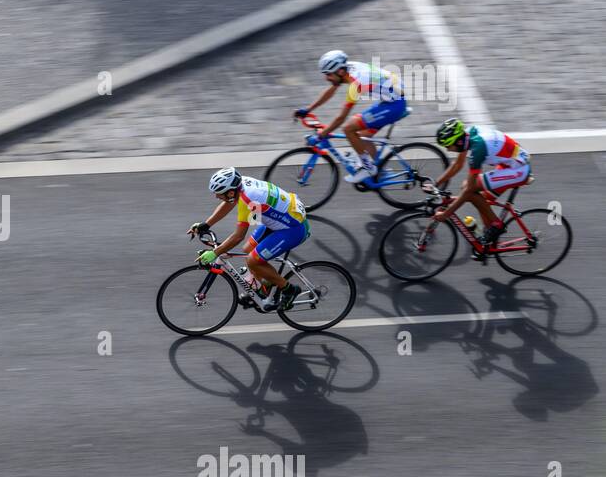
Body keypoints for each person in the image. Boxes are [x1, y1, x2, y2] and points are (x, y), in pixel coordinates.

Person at [188, 167, 308, 311]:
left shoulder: (249, 199)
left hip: (293, 229)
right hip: (281, 218)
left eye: (218, 193)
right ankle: (266, 285)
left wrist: (215, 253)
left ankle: (289, 290)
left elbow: (238, 236)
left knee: (253, 260)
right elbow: (229, 203)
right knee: (248, 250)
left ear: (231, 192)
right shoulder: (241, 184)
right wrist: (206, 224)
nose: (216, 196)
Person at [295, 49, 408, 184]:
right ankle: (380, 171)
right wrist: (308, 109)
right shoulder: (346, 69)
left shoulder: (356, 83)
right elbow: (331, 90)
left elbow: (341, 118)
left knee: (348, 128)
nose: (326, 78)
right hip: (390, 99)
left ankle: (369, 168)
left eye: (328, 74)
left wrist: (321, 135)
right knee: (361, 136)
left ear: (340, 72)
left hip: (394, 105)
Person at [432, 118, 532, 247]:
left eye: (448, 145)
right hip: (510, 165)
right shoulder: (467, 135)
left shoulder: (478, 147)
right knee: (480, 198)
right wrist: (436, 183)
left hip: (518, 170)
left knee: (468, 188)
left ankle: (496, 225)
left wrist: (446, 214)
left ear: (458, 141)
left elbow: (468, 190)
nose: (448, 150)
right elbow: (457, 164)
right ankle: (488, 236)